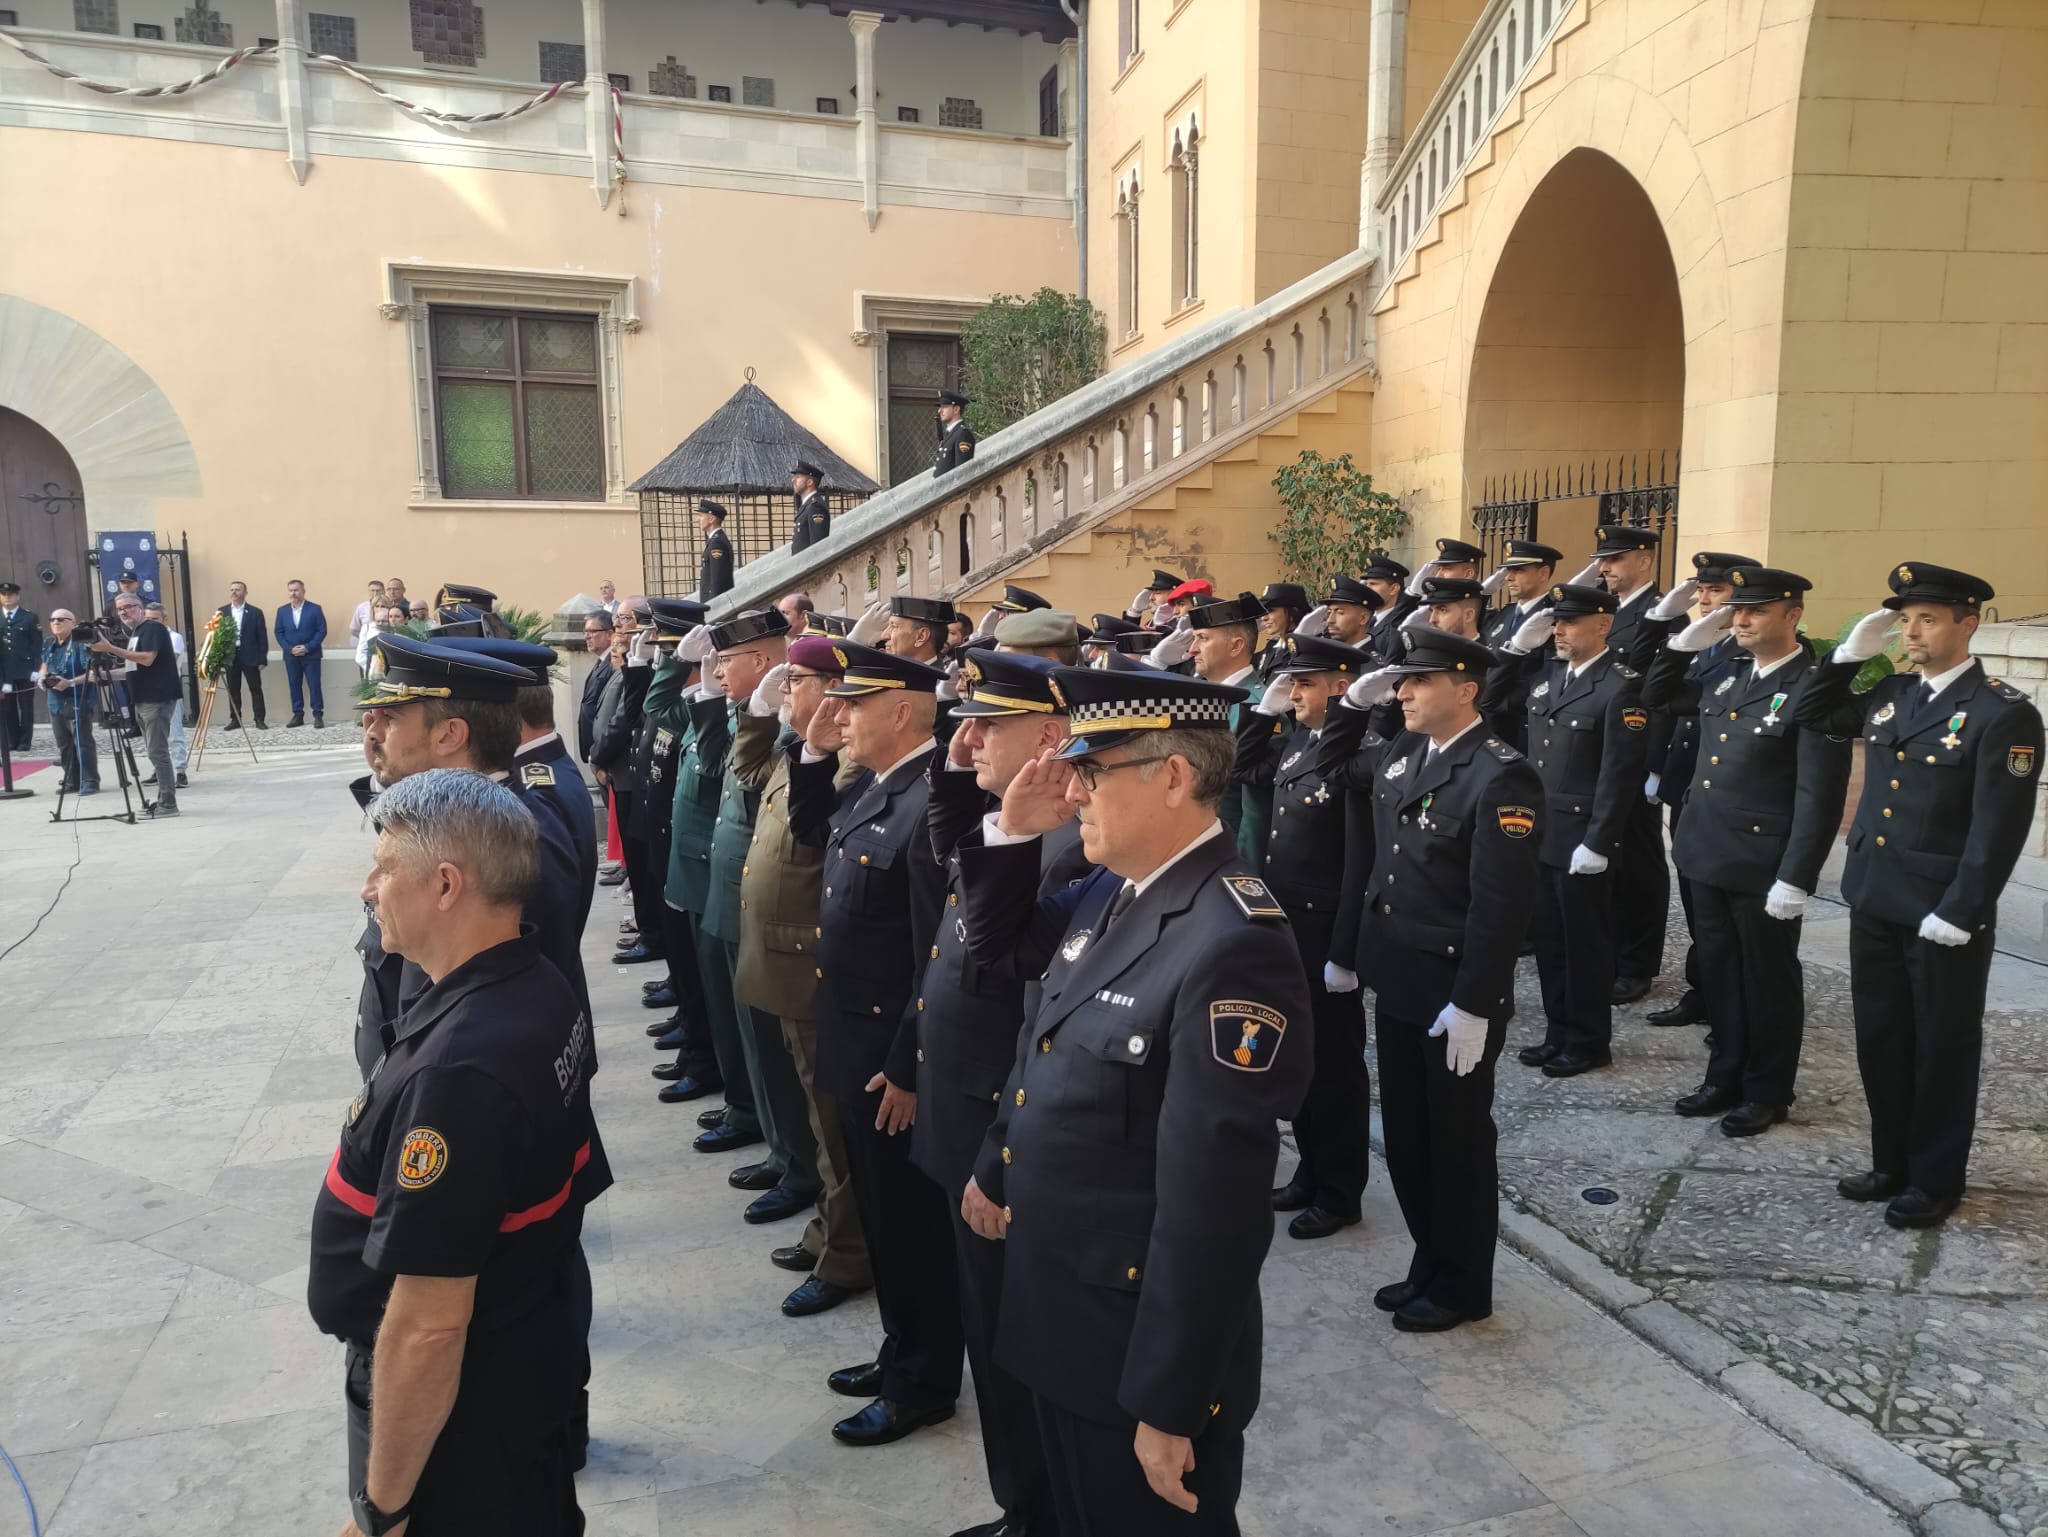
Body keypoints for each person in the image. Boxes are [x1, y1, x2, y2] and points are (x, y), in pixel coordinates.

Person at [956, 661, 1312, 1528]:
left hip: (1132, 1352)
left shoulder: (1230, 940)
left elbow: (1214, 1205)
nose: (1072, 789)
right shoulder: (1118, 889)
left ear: (1174, 777)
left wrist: (1169, 1399)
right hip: (1061, 1312)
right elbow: (1019, 989)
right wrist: (1010, 831)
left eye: (1091, 770)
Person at [308, 768, 605, 1537]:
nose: (368, 888)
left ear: (446, 885)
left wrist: (386, 1506)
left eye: (384, 869)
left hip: (464, 1415)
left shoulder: (463, 1070)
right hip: (518, 1364)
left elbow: (431, 1322)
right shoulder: (531, 980)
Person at [1795, 562, 2044, 1228]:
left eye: (1928, 618)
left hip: (1940, 913)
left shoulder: (2001, 712)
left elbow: (1998, 827)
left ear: (1969, 623)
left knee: (1941, 1045)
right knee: (1882, 1037)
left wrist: (1963, 908)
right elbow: (1806, 711)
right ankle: (1891, 1162)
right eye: (1905, 618)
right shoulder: (1893, 695)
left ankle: (1935, 1179)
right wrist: (1847, 655)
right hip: (1876, 896)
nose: (1912, 630)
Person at [1319, 628, 1541, 1332]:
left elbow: (1499, 905)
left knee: (1458, 1143)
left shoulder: (1501, 773)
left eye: (1417, 681)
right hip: (1400, 976)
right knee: (1411, 1139)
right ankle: (1430, 1262)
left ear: (1466, 688)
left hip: (1453, 993)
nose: (1402, 691)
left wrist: (1476, 1003)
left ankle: (1463, 1284)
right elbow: (1335, 767)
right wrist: (1350, 704)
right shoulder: (1405, 752)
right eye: (1399, 682)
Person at [917, 648, 1086, 1534]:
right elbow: (949, 862)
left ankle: (1036, 1510)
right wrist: (958, 771)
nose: (966, 734)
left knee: (1014, 1342)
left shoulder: (1060, 851)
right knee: (991, 1334)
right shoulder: (1014, 822)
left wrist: (1001, 1154)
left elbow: (1036, 1025)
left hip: (997, 1121)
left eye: (989, 723)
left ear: (1051, 738)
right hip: (965, 1107)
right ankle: (1023, 1502)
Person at [785, 641, 961, 1449]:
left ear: (901, 714)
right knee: (886, 1220)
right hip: (856, 1040)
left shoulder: (930, 805)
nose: (838, 714)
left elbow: (940, 955)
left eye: (853, 707)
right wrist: (816, 752)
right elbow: (814, 826)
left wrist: (908, 1063)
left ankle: (923, 1379)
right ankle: (900, 1348)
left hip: (893, 1058)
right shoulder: (878, 788)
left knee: (910, 1225)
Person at [1646, 568, 1849, 1137]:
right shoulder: (1727, 672)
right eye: (1737, 611)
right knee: (1720, 971)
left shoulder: (1813, 687)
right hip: (1705, 849)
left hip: (1763, 864)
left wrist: (1797, 876)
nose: (1740, 620)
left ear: (1793, 616)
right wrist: (1683, 641)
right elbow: (1657, 694)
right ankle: (1724, 1074)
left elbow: (1819, 796)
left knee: (1767, 978)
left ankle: (1767, 1089)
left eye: (1755, 611)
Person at [352, 632, 594, 1075]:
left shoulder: (510, 843)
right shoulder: (462, 825)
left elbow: (507, 1015)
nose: (374, 731)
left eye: (391, 718)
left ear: (449, 735)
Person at [732, 636, 876, 1316]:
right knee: (818, 1123)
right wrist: (764, 712)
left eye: (796, 682)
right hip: (781, 962)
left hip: (812, 966)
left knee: (834, 1125)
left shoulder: (847, 764)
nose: (784, 691)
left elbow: (816, 838)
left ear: (835, 691)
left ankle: (849, 1252)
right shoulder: (802, 755)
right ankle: (828, 1228)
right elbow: (747, 767)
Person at [699, 610, 824, 1228]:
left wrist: (767, 716)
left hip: (777, 912)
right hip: (739, 892)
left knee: (780, 1050)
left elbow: (751, 781)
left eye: (729, 660)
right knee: (754, 1039)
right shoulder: (759, 714)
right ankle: (781, 1150)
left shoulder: (795, 725)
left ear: (763, 659)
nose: (720, 671)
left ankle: (799, 1164)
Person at [1493, 583, 1648, 1076]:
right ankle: (1557, 1029)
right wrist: (1517, 648)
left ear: (1603, 625)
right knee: (1550, 942)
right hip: (1540, 835)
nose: (1558, 629)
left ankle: (1587, 1040)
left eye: (1569, 622)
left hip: (1582, 840)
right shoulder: (1546, 679)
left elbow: (1618, 773)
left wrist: (1599, 841)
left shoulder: (1621, 687)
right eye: (1556, 621)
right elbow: (1493, 701)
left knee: (1585, 946)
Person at [1250, 633, 1375, 1240]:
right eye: (1291, 682)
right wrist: (1263, 709)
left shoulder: (1359, 754)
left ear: (1341, 686)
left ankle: (1340, 1188)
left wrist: (1346, 952)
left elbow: (1359, 861)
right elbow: (1246, 765)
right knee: (1298, 1060)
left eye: (1304, 682)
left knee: (1335, 1069)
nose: (1293, 691)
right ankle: (1310, 1169)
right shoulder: (1300, 741)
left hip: (1327, 933)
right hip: (1288, 926)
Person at [1637, 551, 1762, 1028]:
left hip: (1724, 794)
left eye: (1718, 593)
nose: (1706, 601)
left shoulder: (1748, 651)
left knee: (1724, 910)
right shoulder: (1701, 642)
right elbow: (1659, 701)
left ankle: (1730, 998)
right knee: (1694, 899)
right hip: (1686, 783)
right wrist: (1656, 767)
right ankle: (1704, 987)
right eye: (1703, 591)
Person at [1589, 523, 1669, 1001]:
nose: (1605, 567)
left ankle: (1638, 961)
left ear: (1644, 560)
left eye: (1615, 559)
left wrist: (1654, 763)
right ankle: (1609, 950)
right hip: (1594, 750)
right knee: (1604, 854)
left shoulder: (1663, 616)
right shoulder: (1601, 610)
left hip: (1635, 751)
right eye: (1603, 559)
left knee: (1638, 858)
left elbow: (1653, 693)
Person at [89, 591, 181, 817]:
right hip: (141, 699)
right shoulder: (136, 634)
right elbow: (132, 667)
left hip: (156, 698)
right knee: (154, 752)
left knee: (157, 752)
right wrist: (104, 675)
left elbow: (147, 658)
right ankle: (161, 799)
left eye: (128, 607)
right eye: (120, 609)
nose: (124, 612)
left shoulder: (152, 628)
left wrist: (109, 648)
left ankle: (168, 803)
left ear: (140, 607)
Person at [38, 608, 98, 793]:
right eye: (53, 619)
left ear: (72, 623)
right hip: (55, 699)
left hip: (77, 697)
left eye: (62, 619)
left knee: (82, 742)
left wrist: (70, 682)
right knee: (63, 743)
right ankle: (71, 779)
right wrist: (42, 679)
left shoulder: (81, 643)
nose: (56, 622)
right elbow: (44, 665)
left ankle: (90, 780)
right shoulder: (49, 642)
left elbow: (94, 673)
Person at [142, 602, 189, 789]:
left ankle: (180, 770)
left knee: (174, 730)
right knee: (153, 735)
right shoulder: (143, 636)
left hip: (169, 687)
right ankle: (159, 768)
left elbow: (167, 659)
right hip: (149, 689)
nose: (151, 623)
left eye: (155, 619)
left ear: (164, 619)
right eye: (148, 619)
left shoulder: (174, 637)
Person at [218, 580, 270, 730]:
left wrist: (262, 658)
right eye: (232, 589)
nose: (234, 592)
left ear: (245, 593)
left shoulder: (255, 612)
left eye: (237, 590)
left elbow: (262, 636)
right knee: (233, 689)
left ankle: (259, 719)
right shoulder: (222, 612)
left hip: (250, 655)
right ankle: (235, 719)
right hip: (231, 656)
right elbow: (217, 636)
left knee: (255, 688)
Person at [275, 578, 328, 728]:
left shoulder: (315, 609)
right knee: (294, 685)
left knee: (314, 685)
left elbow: (321, 630)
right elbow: (279, 632)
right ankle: (298, 715)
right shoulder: (282, 611)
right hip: (291, 656)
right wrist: (289, 648)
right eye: (291, 590)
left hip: (311, 655)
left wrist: (307, 647)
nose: (293, 593)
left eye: (296, 590)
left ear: (303, 591)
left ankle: (318, 715)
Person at [0, 580, 38, 750]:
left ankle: (25, 740)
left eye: (11, 595)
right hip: (4, 671)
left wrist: (36, 670)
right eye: (4, 595)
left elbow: (36, 645)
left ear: (18, 597)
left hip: (25, 670)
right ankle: (11, 739)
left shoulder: (29, 617)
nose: (7, 598)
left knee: (26, 706)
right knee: (7, 706)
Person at [576, 610, 615, 764]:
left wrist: (600, 756)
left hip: (605, 753)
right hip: (595, 751)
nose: (587, 636)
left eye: (592, 631)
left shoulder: (615, 663)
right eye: (586, 631)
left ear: (609, 634)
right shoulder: (601, 662)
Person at [933, 389, 978, 474]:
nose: (939, 411)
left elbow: (961, 472)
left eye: (945, 406)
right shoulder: (950, 434)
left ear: (956, 409)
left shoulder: (963, 434)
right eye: (940, 407)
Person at [790, 461, 832, 552]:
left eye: (798, 477)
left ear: (809, 482)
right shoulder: (807, 506)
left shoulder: (815, 507)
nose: (793, 480)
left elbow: (818, 546)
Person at [698, 501, 735, 600]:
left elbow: (717, 579)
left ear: (711, 519)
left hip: (714, 603)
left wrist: (713, 606)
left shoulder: (716, 543)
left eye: (701, 516)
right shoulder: (715, 540)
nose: (699, 519)